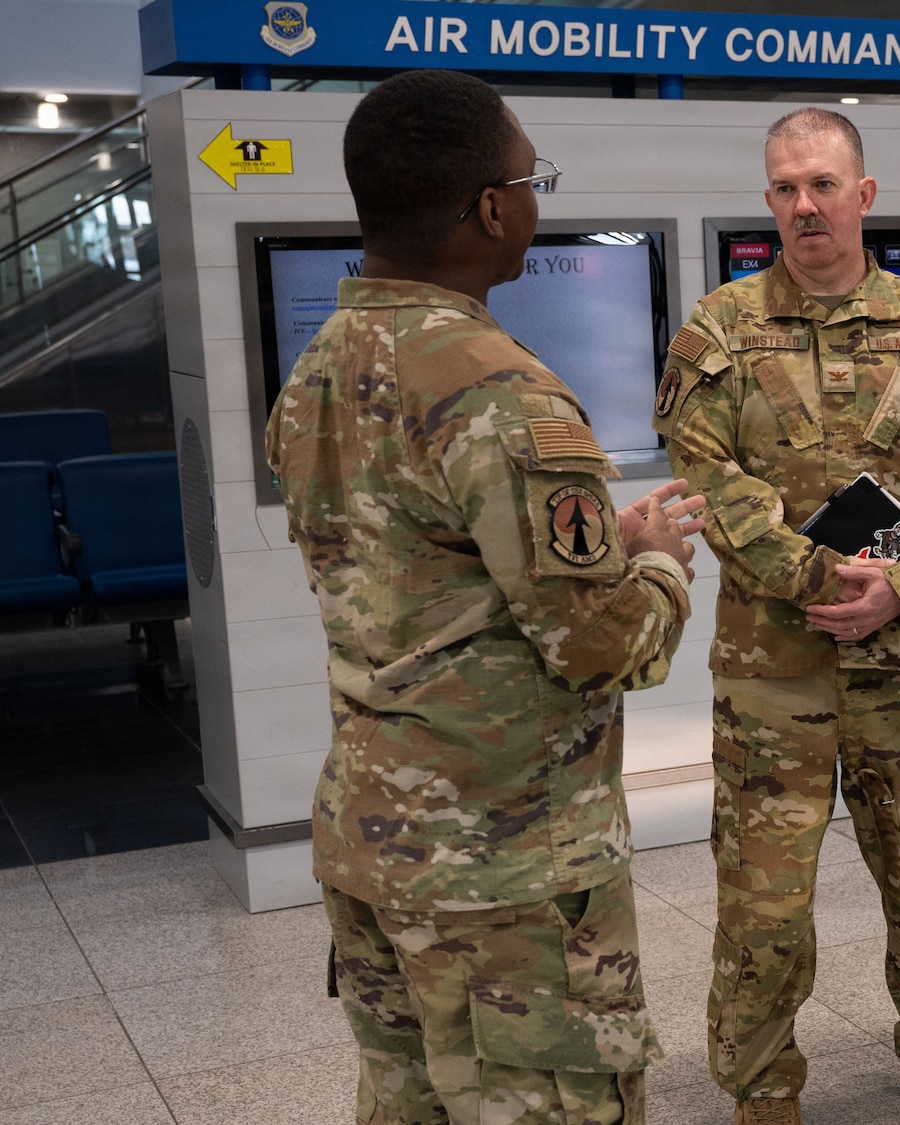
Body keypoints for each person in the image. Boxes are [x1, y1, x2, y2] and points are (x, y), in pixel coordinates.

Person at [267, 70, 707, 1124]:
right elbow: (603, 644)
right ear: (490, 208)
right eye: (531, 179)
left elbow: (421, 585)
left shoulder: (319, 367)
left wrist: (613, 546)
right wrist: (653, 562)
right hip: (501, 871)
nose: (535, 201)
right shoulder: (499, 391)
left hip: (369, 841)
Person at [653, 108, 900, 1125]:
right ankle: (763, 1087)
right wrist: (813, 575)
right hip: (775, 669)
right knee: (764, 902)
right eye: (782, 187)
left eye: (819, 184)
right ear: (767, 200)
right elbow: (705, 474)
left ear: (864, 195)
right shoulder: (718, 327)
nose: (801, 204)